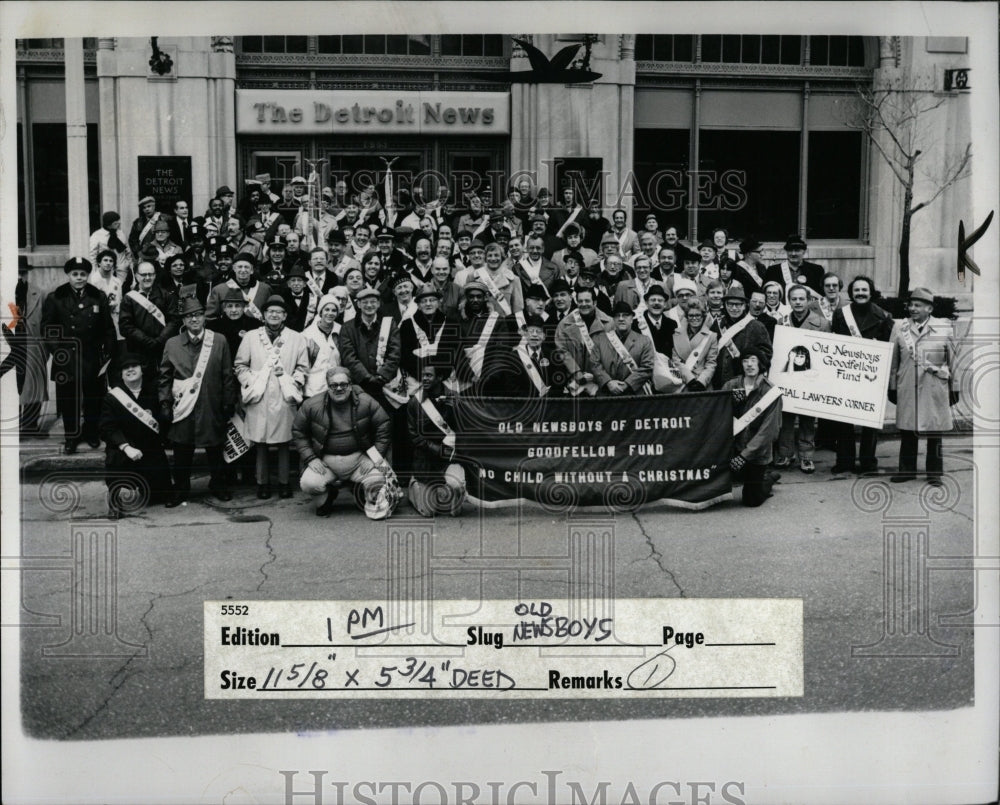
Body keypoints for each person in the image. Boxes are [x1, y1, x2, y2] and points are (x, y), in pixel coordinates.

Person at [158, 295, 236, 504]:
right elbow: (164, 376)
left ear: (204, 318)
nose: (194, 320)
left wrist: (229, 401)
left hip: (211, 403)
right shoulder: (172, 343)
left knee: (215, 448)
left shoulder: (218, 340)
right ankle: (181, 489)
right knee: (182, 449)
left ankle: (218, 484)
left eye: (198, 315)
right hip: (183, 405)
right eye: (189, 316)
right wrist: (164, 402)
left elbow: (227, 374)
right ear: (183, 321)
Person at [234, 294, 309, 499]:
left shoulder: (296, 338)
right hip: (260, 395)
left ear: (284, 315)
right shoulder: (251, 336)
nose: (274, 315)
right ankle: (263, 483)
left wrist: (293, 382)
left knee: (284, 442)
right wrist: (251, 380)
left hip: (284, 395)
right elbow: (240, 365)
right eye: (270, 312)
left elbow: (303, 367)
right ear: (264, 315)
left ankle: (284, 483)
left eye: (278, 312)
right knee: (260, 443)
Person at [293, 366, 393, 518]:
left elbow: (384, 425)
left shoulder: (366, 401)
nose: (339, 388)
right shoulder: (312, 405)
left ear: (350, 385)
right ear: (328, 387)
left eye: (343, 384)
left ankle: (363, 494)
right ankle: (326, 498)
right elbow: (298, 431)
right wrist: (310, 458)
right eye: (334, 385)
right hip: (326, 461)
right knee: (308, 483)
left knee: (380, 477)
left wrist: (374, 457)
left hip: (360, 459)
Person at [42, 257, 117, 453]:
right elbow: (48, 329)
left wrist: (107, 352)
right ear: (68, 275)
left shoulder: (97, 296)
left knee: (93, 399)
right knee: (69, 400)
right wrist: (57, 351)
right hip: (65, 357)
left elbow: (107, 327)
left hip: (91, 356)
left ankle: (91, 433)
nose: (79, 278)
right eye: (75, 274)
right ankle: (71, 437)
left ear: (87, 275)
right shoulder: (55, 297)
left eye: (83, 274)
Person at [888, 287, 959, 487]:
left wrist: (955, 388)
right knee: (908, 430)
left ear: (929, 308)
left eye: (918, 305)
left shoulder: (944, 328)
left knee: (934, 431)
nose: (912, 308)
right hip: (907, 386)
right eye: (910, 304)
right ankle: (906, 470)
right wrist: (892, 386)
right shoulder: (899, 328)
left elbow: (954, 361)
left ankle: (934, 473)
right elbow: (894, 362)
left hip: (934, 387)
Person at [830, 275, 894, 474]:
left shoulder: (884, 316)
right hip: (846, 375)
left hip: (871, 377)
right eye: (856, 290)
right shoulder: (841, 314)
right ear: (851, 293)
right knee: (843, 421)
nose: (860, 293)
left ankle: (868, 463)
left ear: (871, 292)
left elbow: (889, 348)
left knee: (869, 422)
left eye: (864, 290)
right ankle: (845, 461)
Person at [99, 353, 174, 517]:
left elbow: (163, 420)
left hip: (149, 445)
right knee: (115, 460)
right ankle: (114, 500)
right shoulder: (112, 397)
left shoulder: (154, 391)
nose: (130, 370)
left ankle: (154, 487)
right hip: (124, 446)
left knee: (160, 494)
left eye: (134, 366)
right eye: (126, 368)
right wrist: (126, 447)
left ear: (142, 370)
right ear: (121, 373)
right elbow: (107, 428)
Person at [773, 284, 831, 473]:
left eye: (801, 299)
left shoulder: (822, 323)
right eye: (794, 299)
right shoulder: (781, 323)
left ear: (808, 300)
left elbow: (826, 353)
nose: (798, 302)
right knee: (786, 418)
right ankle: (785, 454)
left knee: (807, 420)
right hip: (788, 377)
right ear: (789, 301)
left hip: (810, 378)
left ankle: (806, 457)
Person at [723, 347, 783, 507]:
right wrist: (729, 399)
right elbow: (715, 411)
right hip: (733, 447)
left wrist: (744, 456)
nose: (749, 364)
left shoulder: (770, 391)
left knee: (751, 500)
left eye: (753, 360)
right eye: (745, 360)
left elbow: (769, 431)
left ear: (761, 364)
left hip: (756, 453)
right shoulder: (731, 385)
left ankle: (768, 479)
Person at [407, 362, 467, 516]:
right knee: (428, 512)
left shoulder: (455, 397)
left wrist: (457, 411)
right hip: (426, 458)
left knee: (456, 488)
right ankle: (415, 484)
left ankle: (445, 488)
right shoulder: (415, 402)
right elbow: (415, 437)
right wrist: (438, 450)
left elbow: (466, 430)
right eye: (423, 375)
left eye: (429, 375)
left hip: (450, 458)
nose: (424, 379)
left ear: (439, 377)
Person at [3, 257, 48, 437]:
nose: (19, 277)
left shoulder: (39, 294)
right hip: (9, 344)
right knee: (10, 386)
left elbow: (46, 323)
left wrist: (44, 350)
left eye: (22, 273)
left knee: (32, 386)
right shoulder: (4, 294)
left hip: (32, 345)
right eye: (15, 273)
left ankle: (30, 425)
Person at [119, 260, 179, 394]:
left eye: (150, 274)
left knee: (164, 381)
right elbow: (125, 326)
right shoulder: (129, 298)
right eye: (144, 274)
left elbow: (174, 320)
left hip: (162, 348)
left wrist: (160, 340)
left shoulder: (166, 295)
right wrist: (147, 340)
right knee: (142, 386)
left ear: (155, 275)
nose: (147, 278)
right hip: (138, 350)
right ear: (136, 275)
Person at [338, 287, 401, 410]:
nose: (369, 305)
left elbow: (395, 353)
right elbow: (349, 357)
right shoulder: (347, 328)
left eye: (373, 302)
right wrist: (367, 378)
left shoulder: (390, 324)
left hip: (386, 386)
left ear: (378, 304)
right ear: (359, 305)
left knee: (385, 422)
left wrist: (382, 376)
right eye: (365, 302)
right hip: (360, 386)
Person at [554, 286, 614, 396]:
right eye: (580, 301)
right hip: (575, 383)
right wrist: (577, 373)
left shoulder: (609, 323)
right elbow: (562, 351)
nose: (583, 304)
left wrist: (600, 376)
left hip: (601, 381)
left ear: (595, 303)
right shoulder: (564, 324)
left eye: (587, 300)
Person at [588, 301, 654, 396]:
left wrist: (627, 384)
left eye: (625, 315)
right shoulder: (600, 340)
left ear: (632, 319)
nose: (621, 319)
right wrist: (609, 382)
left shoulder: (644, 341)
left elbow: (647, 367)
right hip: (607, 393)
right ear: (613, 319)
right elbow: (594, 364)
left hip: (634, 394)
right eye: (617, 316)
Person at [712, 287, 773, 389]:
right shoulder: (717, 325)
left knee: (738, 404)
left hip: (743, 381)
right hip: (718, 380)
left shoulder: (756, 326)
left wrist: (749, 364)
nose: (734, 308)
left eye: (738, 304)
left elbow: (766, 354)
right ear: (725, 305)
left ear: (745, 306)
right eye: (730, 304)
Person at [632, 283, 678, 392]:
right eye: (653, 300)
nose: (656, 303)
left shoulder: (672, 324)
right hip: (645, 378)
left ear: (665, 304)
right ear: (647, 303)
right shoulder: (636, 324)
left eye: (660, 300)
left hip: (666, 377)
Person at [669, 297, 718, 393]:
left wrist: (701, 382)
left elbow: (711, 363)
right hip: (683, 383)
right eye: (691, 315)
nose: (694, 318)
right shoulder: (676, 334)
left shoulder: (711, 336)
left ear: (703, 316)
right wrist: (690, 380)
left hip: (702, 384)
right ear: (686, 317)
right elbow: (676, 361)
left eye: (698, 315)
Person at [205, 252, 272, 321]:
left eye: (246, 267)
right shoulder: (219, 290)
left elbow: (270, 313)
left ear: (252, 270)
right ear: (234, 269)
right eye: (240, 267)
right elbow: (210, 317)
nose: (243, 270)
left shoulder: (265, 289)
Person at [300, 294, 343, 399]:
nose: (330, 313)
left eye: (333, 310)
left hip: (337, 386)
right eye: (326, 309)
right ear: (320, 312)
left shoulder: (342, 331)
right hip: (312, 389)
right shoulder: (307, 334)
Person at [207, 286, 263, 358]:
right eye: (230, 306)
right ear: (224, 308)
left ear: (243, 308)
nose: (234, 310)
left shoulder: (255, 325)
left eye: (237, 306)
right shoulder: (213, 327)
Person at [89, 249, 125, 342]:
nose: (108, 263)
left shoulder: (117, 281)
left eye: (111, 261)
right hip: (98, 318)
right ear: (99, 263)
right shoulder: (93, 281)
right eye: (105, 260)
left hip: (114, 317)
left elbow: (119, 301)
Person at [90, 211, 133, 285]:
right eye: (115, 223)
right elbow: (93, 255)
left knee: (121, 289)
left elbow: (127, 251)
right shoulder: (97, 235)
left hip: (122, 270)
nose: (119, 224)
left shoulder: (121, 234)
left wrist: (129, 265)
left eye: (119, 221)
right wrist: (95, 272)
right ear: (108, 225)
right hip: (106, 269)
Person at [128, 196, 162, 263]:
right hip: (144, 255)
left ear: (154, 206)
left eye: (149, 206)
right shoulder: (138, 222)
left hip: (160, 254)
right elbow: (132, 240)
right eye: (144, 208)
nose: (146, 209)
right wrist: (139, 252)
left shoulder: (164, 219)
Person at [281, 265, 313, 332]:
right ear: (288, 284)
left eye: (299, 280)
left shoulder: (312, 299)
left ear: (305, 284)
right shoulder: (282, 298)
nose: (296, 283)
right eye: (293, 280)